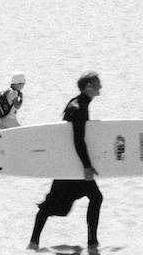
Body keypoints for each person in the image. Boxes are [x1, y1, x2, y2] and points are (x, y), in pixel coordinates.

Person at [28, 72, 104, 252]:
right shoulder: (79, 108)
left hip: (68, 164)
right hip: (72, 166)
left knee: (57, 206)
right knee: (94, 198)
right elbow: (78, 140)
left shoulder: (76, 103)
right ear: (88, 87)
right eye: (97, 84)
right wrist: (86, 166)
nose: (100, 87)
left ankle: (34, 242)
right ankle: (92, 243)